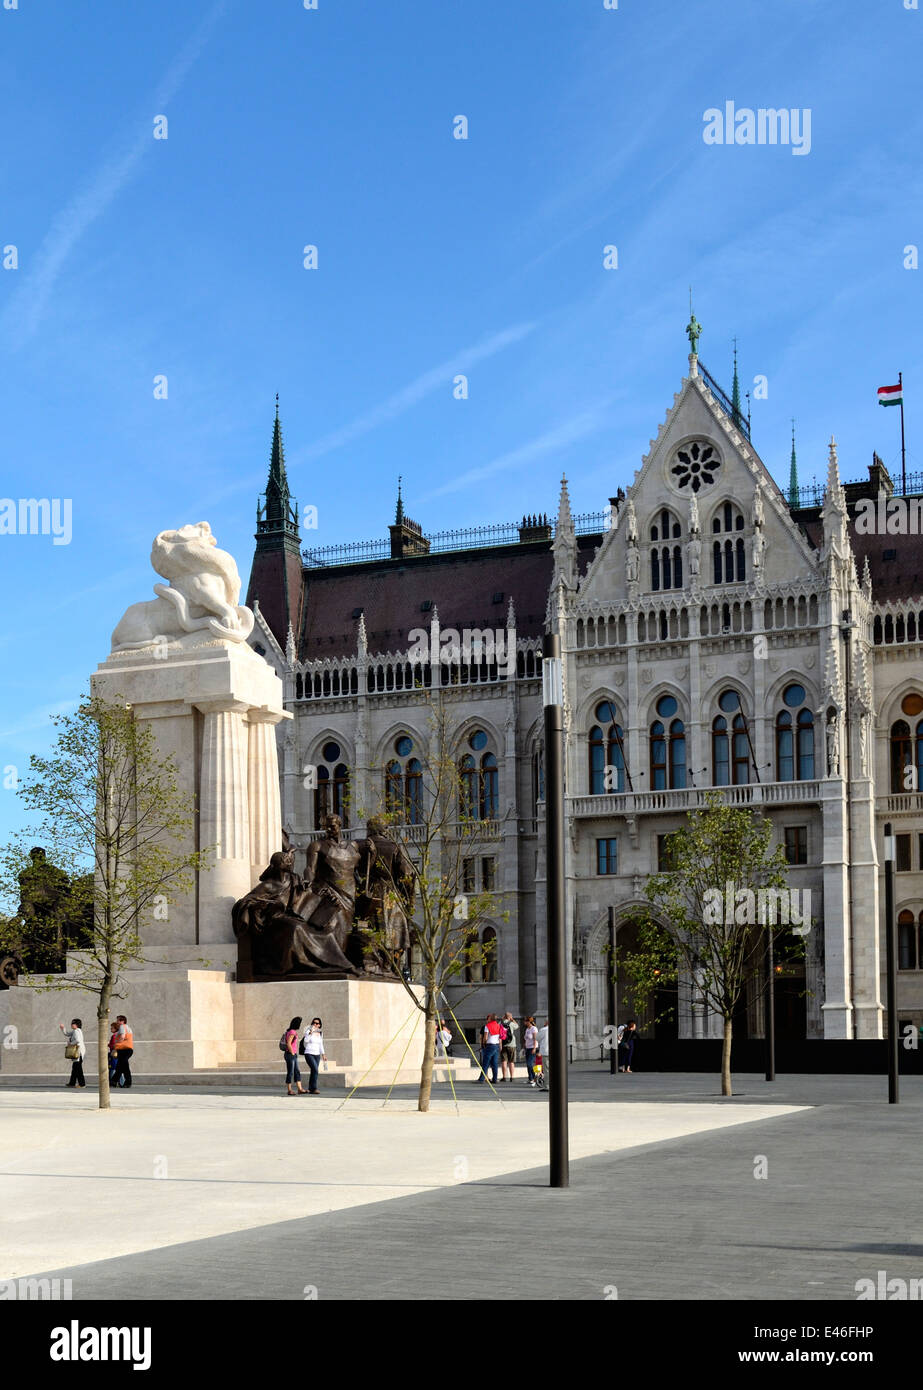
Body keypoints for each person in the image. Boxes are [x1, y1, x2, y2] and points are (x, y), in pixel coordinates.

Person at [301, 1016, 326, 1094]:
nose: (315, 1024)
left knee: (313, 1071)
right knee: (315, 1069)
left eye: (317, 1023)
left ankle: (310, 1088)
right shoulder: (308, 1031)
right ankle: (314, 1088)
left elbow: (321, 1044)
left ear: (319, 1025)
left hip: (317, 1054)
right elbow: (306, 1040)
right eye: (314, 1023)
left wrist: (323, 1054)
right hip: (309, 1053)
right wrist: (311, 1032)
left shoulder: (320, 1033)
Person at [59, 1018, 86, 1088]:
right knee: (75, 1068)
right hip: (78, 1051)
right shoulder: (75, 1031)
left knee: (78, 1068)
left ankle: (82, 1084)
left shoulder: (77, 1031)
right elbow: (67, 1033)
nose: (71, 1024)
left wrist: (70, 1044)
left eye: (72, 1023)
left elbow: (77, 1040)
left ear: (76, 1025)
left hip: (78, 1052)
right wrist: (63, 1028)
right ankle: (72, 1083)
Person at [477, 1013, 503, 1084]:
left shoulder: (487, 1026)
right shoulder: (498, 1026)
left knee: (485, 1063)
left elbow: (485, 1037)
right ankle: (495, 1079)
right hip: (496, 1045)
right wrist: (500, 1046)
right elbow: (500, 1037)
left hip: (489, 1046)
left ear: (490, 1019)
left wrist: (483, 1044)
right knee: (494, 1063)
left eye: (488, 1018)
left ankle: (481, 1079)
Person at [282, 1015, 305, 1094]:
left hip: (291, 1054)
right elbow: (288, 1043)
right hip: (290, 1054)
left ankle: (300, 1089)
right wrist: (292, 1053)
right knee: (291, 1072)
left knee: (296, 1071)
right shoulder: (292, 1032)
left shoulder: (289, 1031)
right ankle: (289, 1090)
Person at [111, 1014, 134, 1089]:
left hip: (124, 1050)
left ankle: (127, 1083)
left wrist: (117, 1042)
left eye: (118, 1020)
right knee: (120, 1066)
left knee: (124, 1067)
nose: (117, 1021)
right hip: (127, 1050)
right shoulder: (128, 1027)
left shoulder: (122, 1026)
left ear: (122, 1021)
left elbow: (122, 1036)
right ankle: (113, 1082)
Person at [500, 1011, 518, 1082]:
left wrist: (502, 1019)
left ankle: (504, 1077)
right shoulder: (512, 1023)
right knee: (511, 1061)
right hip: (512, 1044)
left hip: (503, 1044)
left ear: (504, 1016)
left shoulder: (500, 1023)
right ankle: (512, 1077)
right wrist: (512, 1019)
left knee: (504, 1061)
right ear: (510, 1017)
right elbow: (517, 1026)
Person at [523, 1016, 538, 1087]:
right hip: (527, 1048)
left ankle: (534, 1077)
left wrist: (534, 1048)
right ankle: (530, 1078)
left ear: (529, 1022)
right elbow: (526, 1039)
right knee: (528, 1064)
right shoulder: (527, 1029)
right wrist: (524, 1046)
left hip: (532, 1048)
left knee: (530, 1063)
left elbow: (535, 1039)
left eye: (525, 1021)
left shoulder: (533, 1029)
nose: (524, 1022)